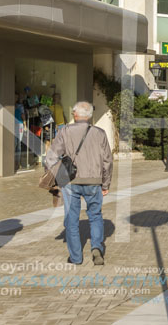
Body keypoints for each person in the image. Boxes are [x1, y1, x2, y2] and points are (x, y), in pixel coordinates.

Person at [46, 101, 112, 265]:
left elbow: (51, 158)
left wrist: (59, 176)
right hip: (94, 181)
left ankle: (75, 257)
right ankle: (96, 248)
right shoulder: (100, 133)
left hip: (71, 181)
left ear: (75, 115)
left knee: (71, 218)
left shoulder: (65, 131)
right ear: (89, 116)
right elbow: (107, 161)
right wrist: (105, 184)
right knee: (95, 215)